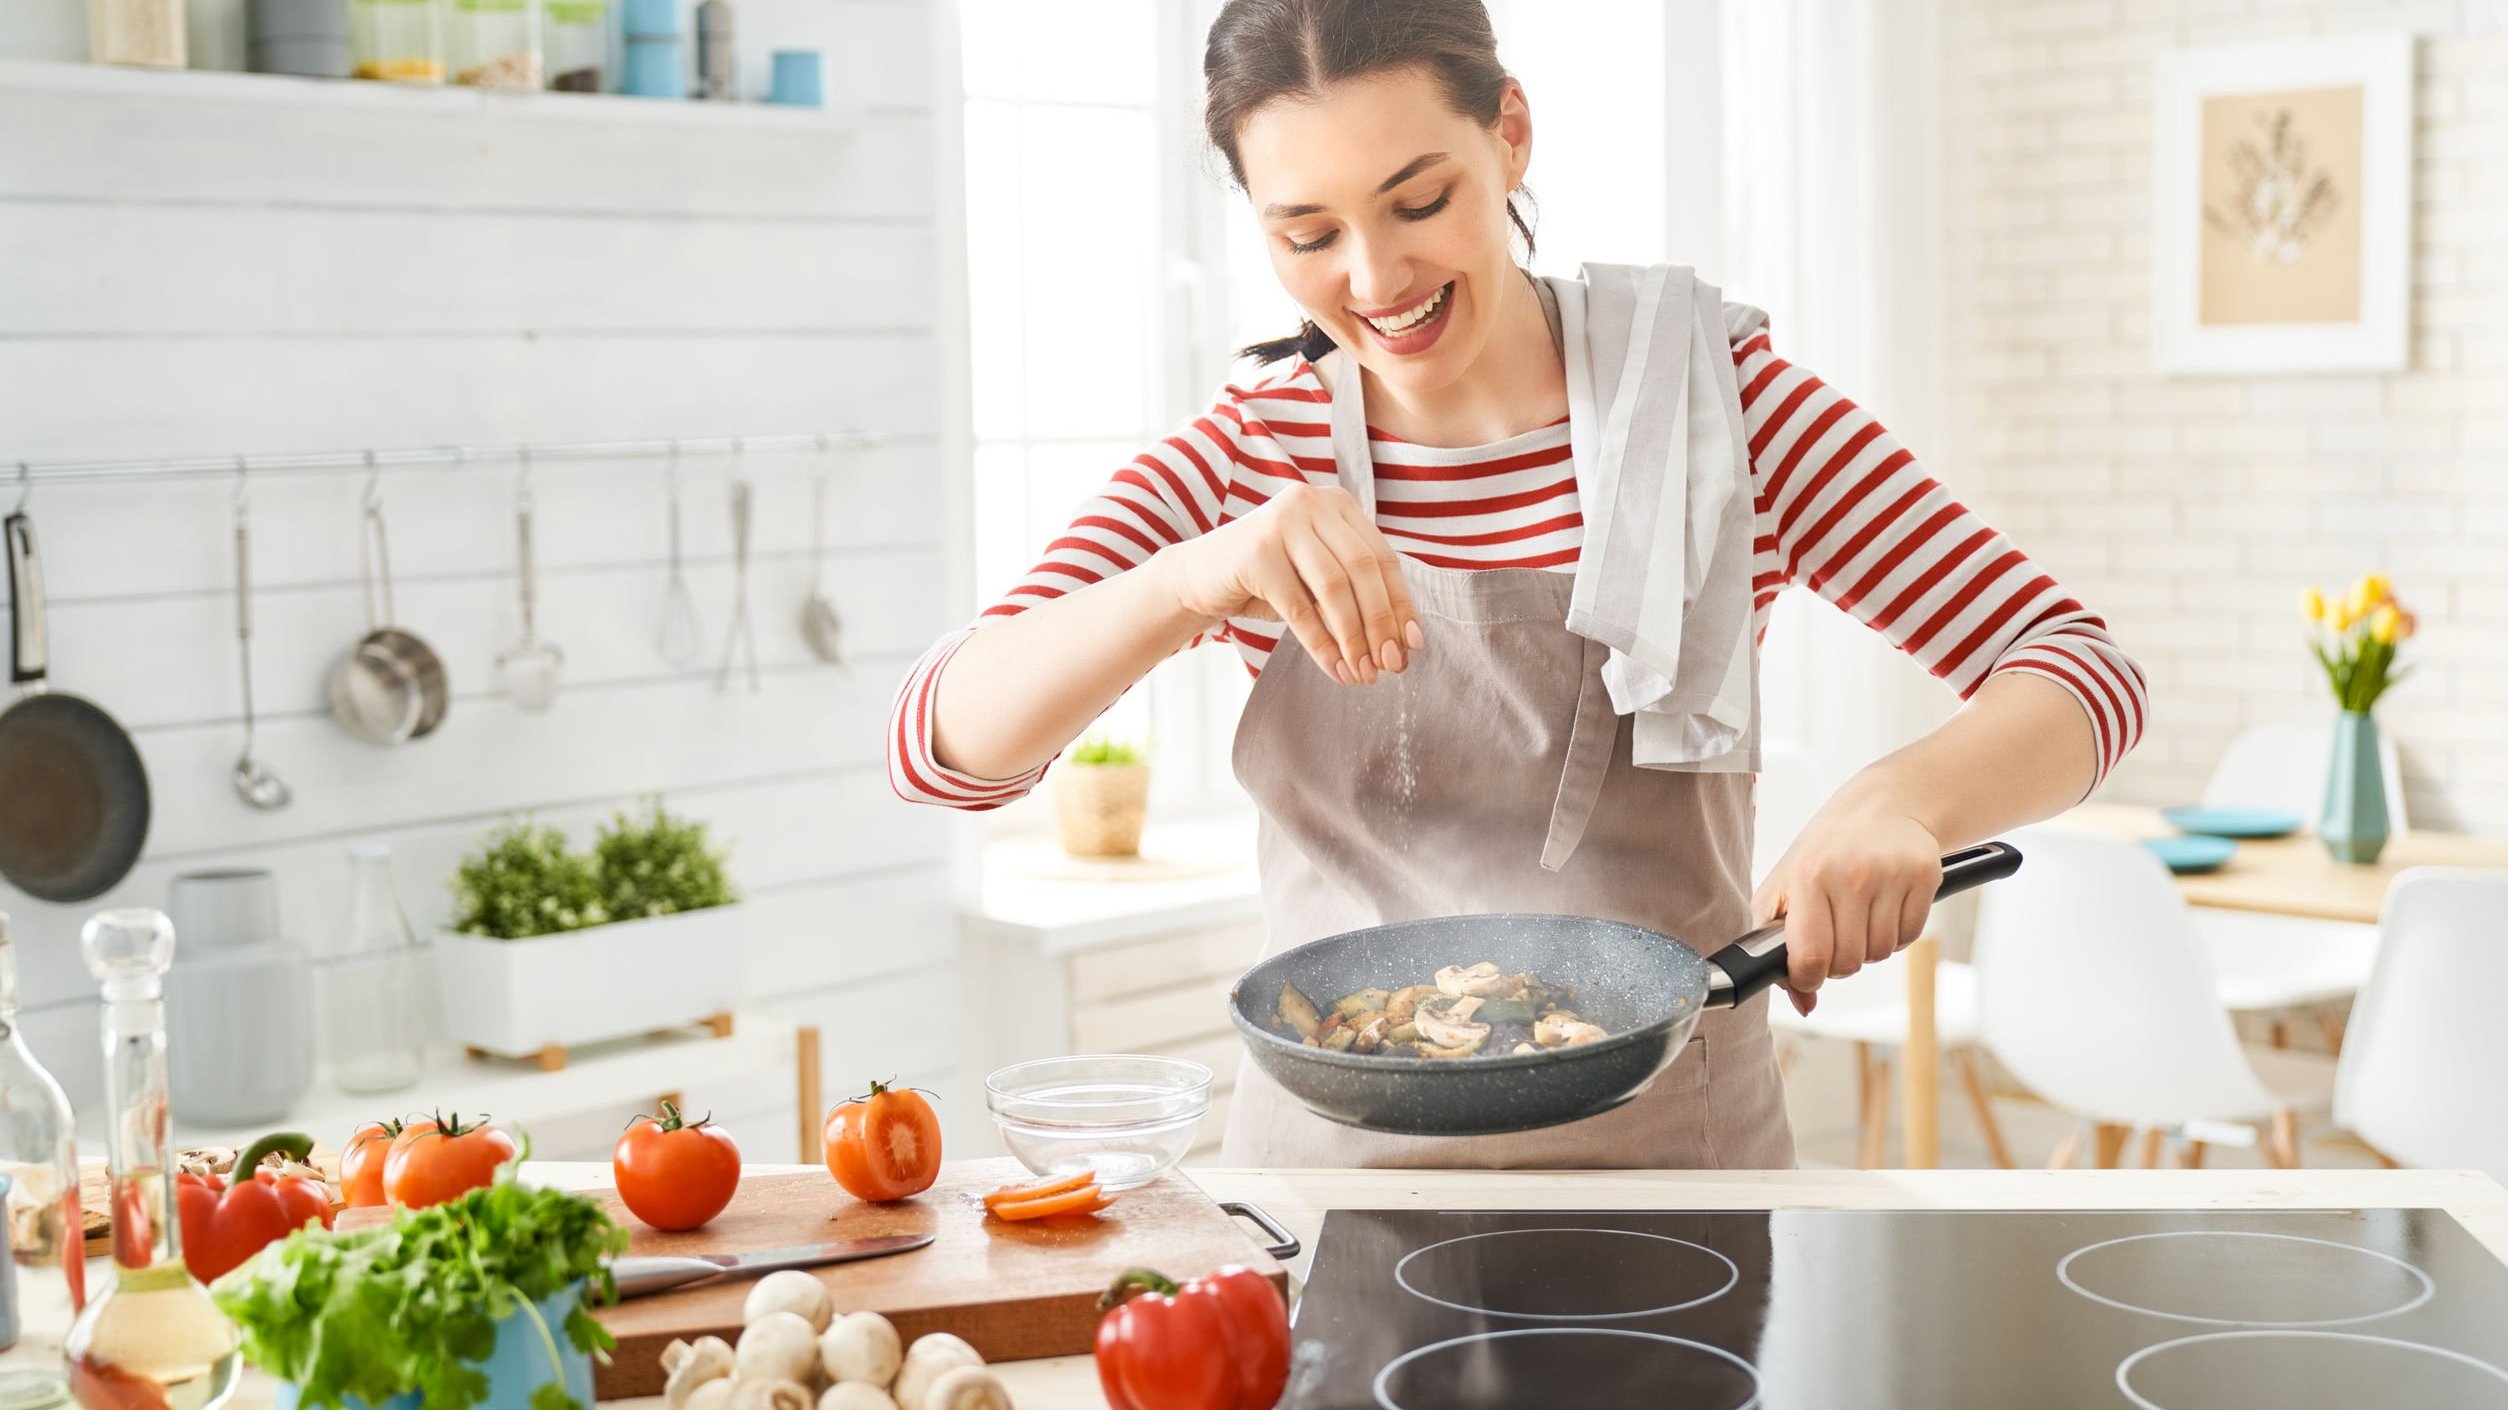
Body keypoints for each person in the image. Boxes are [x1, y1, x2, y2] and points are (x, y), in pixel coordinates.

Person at [891, 0, 2146, 1169]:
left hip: (1675, 1169)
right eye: (1309, 234)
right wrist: (1191, 577)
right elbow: (942, 749)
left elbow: (2084, 669)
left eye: (1418, 200)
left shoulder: (1721, 414)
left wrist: (1905, 799)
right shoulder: (1248, 458)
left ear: (1510, 135)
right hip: (1339, 1182)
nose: (1375, 281)